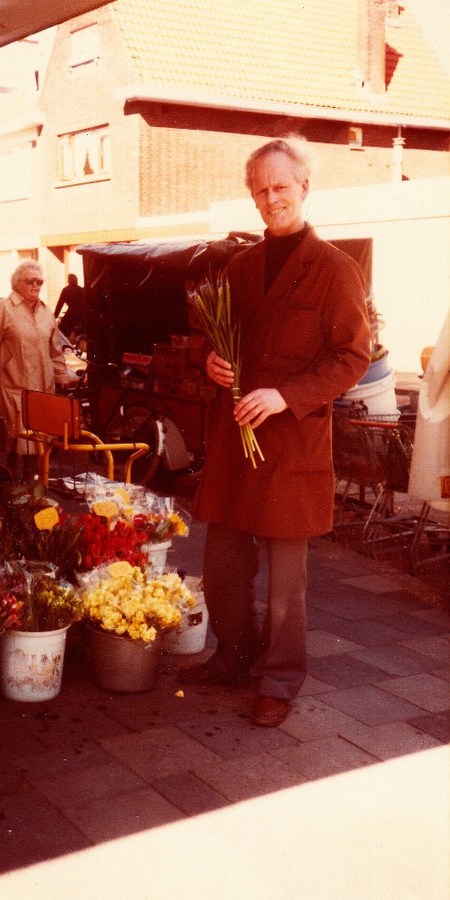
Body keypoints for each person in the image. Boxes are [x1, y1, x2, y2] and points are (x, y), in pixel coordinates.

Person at [184, 136, 371, 727]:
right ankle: (233, 657)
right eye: (261, 190)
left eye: (281, 187)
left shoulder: (336, 270)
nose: (272, 198)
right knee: (223, 564)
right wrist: (211, 361)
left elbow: (353, 357)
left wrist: (286, 396)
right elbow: (220, 339)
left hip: (293, 444)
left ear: (304, 187)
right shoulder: (240, 267)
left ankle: (280, 680)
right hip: (237, 441)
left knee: (287, 580)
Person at [0, 260, 78, 479]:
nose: (35, 285)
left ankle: (33, 490)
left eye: (39, 282)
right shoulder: (4, 309)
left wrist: (62, 376)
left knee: (38, 443)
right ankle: (12, 488)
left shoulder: (46, 312)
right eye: (30, 281)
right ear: (17, 283)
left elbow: (55, 351)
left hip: (42, 388)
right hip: (13, 387)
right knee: (17, 443)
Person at [54, 273, 85, 344]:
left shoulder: (66, 290)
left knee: (60, 331)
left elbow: (59, 304)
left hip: (71, 315)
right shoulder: (81, 290)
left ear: (69, 281)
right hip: (81, 315)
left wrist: (54, 316)